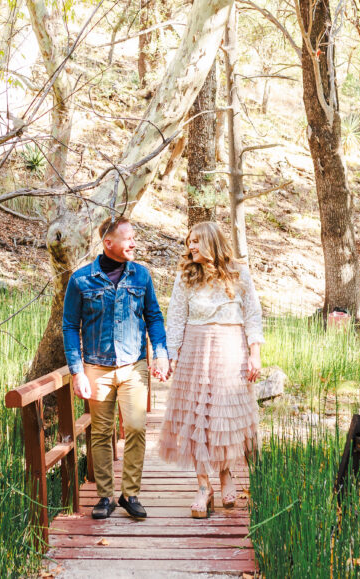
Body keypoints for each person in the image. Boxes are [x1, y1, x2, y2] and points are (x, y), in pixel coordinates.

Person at [63, 216, 172, 520]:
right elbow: (70, 325)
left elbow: (154, 317)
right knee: (100, 432)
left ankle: (130, 493)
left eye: (134, 238)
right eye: (128, 239)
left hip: (133, 365)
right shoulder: (81, 279)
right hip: (96, 367)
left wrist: (160, 354)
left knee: (136, 427)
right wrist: (77, 370)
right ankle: (104, 496)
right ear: (108, 243)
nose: (134, 243)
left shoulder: (141, 276)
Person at [158, 221, 263, 518]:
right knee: (198, 420)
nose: (190, 247)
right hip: (195, 349)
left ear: (212, 243)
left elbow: (253, 315)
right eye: (189, 241)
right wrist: (172, 355)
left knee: (223, 417)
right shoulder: (186, 276)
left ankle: (226, 476)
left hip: (231, 349)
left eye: (196, 242)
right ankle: (203, 487)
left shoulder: (239, 273)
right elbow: (176, 318)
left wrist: (255, 353)